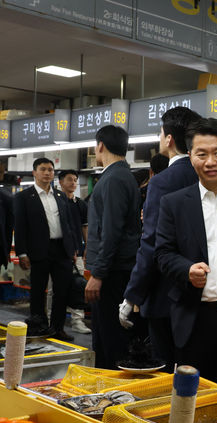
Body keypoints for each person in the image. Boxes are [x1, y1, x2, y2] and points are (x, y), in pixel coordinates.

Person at [155, 118, 217, 385]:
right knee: (192, 398)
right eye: (202, 154)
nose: (210, 161)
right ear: (190, 156)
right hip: (194, 318)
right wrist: (186, 270)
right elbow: (163, 253)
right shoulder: (173, 203)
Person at [121, 107, 202, 371]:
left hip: (166, 292)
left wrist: (132, 295)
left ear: (169, 139)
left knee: (166, 371)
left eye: (160, 132)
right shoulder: (207, 176)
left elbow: (151, 243)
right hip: (204, 289)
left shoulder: (163, 182)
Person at [85, 125, 142, 369]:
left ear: (100, 146)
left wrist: (97, 274)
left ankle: (110, 391)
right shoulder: (121, 175)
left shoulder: (113, 179)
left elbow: (111, 231)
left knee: (108, 338)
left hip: (112, 273)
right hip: (117, 268)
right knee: (109, 334)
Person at [14, 158, 80, 341]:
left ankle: (57, 328)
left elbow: (68, 224)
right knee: (38, 292)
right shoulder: (24, 197)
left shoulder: (60, 196)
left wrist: (73, 249)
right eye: (43, 169)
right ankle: (38, 327)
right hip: (38, 250)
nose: (47, 173)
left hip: (62, 250)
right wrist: (22, 252)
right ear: (34, 172)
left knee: (62, 291)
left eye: (50, 170)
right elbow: (20, 226)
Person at [57, 170, 91, 334]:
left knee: (78, 286)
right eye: (70, 179)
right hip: (57, 252)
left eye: (75, 180)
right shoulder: (56, 201)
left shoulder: (81, 204)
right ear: (61, 182)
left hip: (77, 251)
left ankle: (77, 321)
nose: (73, 183)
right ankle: (54, 320)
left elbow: (85, 227)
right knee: (54, 289)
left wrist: (87, 248)